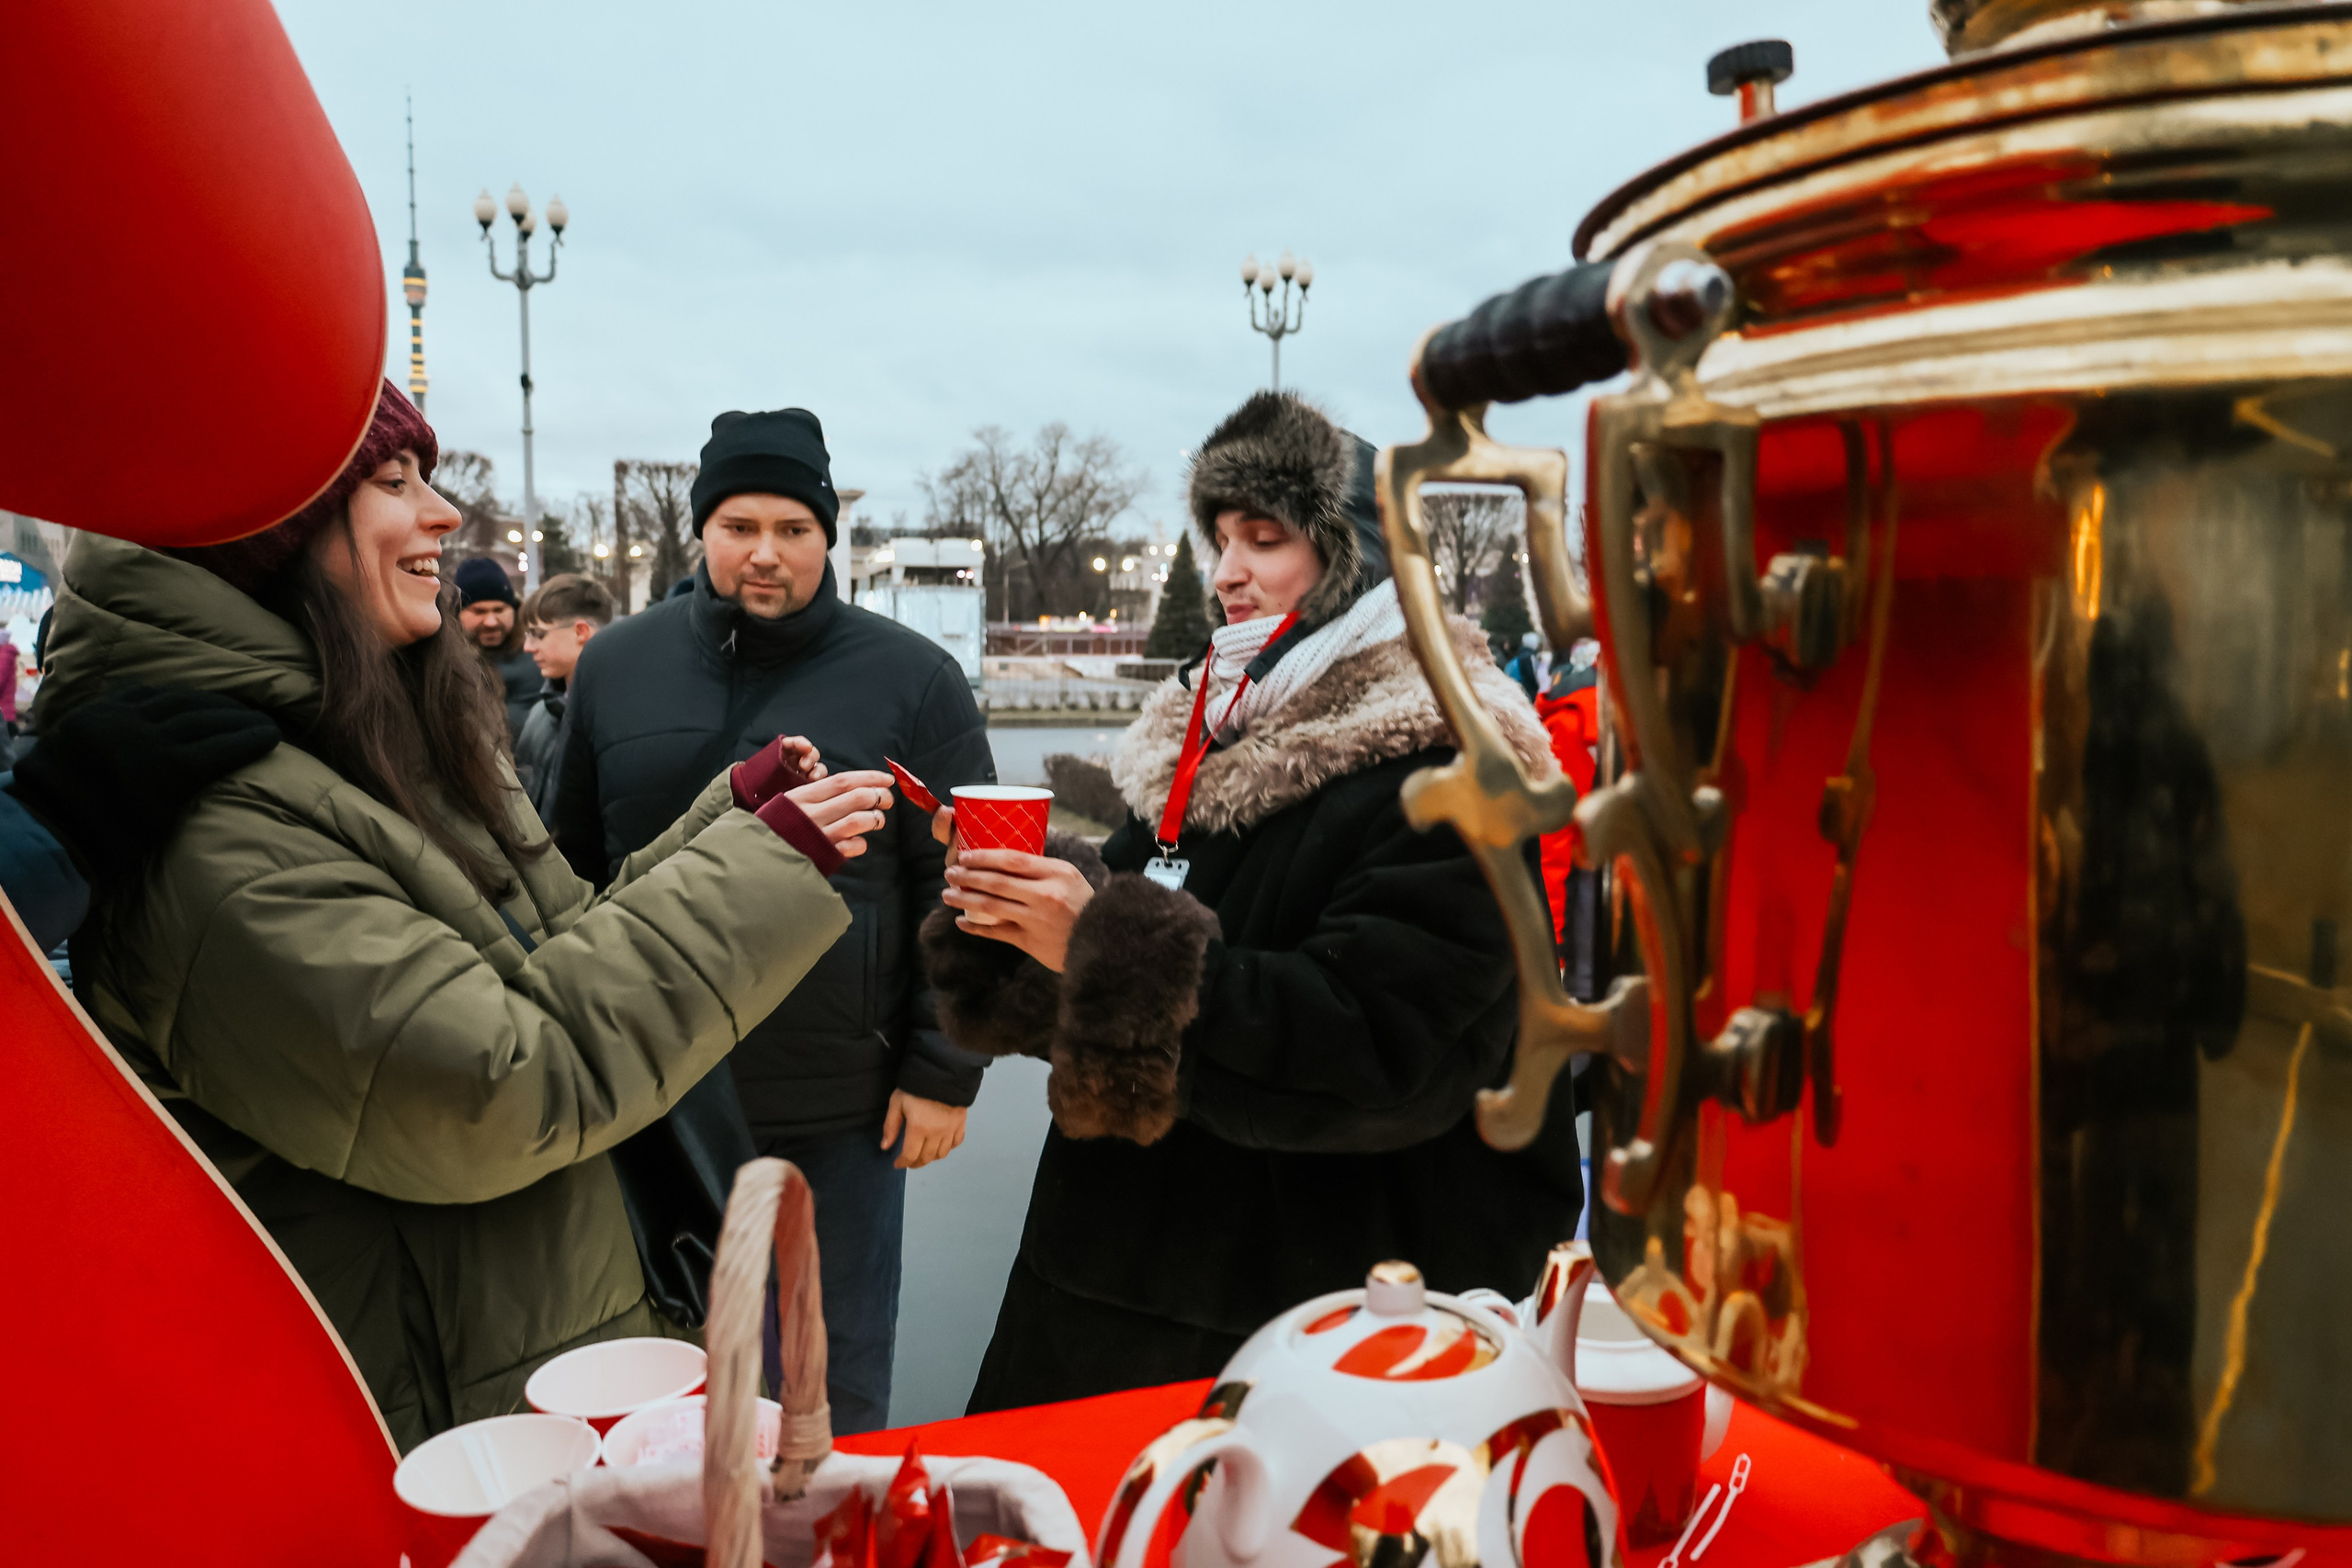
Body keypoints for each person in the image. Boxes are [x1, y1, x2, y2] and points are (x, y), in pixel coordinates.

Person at [38, 380, 897, 1450]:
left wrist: (730, 831)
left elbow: (549, 949)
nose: (444, 514)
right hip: (447, 1420)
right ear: (269, 535)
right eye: (394, 482)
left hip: (537, 1340)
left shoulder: (369, 730)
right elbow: (495, 1082)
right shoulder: (213, 812)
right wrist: (755, 872)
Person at [920, 390, 1585, 1410]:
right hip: (1118, 1287)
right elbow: (1148, 928)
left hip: (1317, 1326)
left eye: (1263, 540)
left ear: (1355, 562)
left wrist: (1092, 938)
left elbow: (1382, 1050)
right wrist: (1021, 911)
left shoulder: (1453, 769)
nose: (1225, 572)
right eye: (1220, 539)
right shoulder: (1218, 736)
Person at [554, 406, 996, 1432]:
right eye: (739, 526)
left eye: (793, 529)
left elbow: (961, 887)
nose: (765, 553)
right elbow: (567, 864)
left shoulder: (911, 678)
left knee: (825, 1384)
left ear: (828, 536)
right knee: (664, 1388)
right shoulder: (617, 667)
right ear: (700, 532)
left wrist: (942, 1071)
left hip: (836, 1106)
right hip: (649, 1089)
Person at [515, 572, 613, 820]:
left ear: (581, 631)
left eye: (537, 634)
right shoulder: (541, 711)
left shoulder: (617, 716)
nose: (528, 647)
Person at [453, 555, 540, 743]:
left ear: (514, 610)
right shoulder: (445, 665)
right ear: (457, 613)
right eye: (479, 611)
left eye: (499, 610)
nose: (491, 622)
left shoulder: (540, 658)